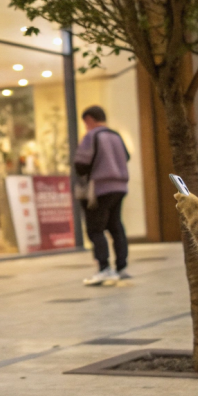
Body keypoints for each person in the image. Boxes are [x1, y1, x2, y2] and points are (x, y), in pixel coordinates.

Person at [74, 106, 130, 286]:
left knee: (95, 228)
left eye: (85, 122)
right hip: (120, 186)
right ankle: (121, 267)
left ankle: (104, 268)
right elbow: (127, 157)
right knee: (116, 226)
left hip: (100, 188)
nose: (85, 126)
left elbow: (81, 164)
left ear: (89, 119)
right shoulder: (116, 136)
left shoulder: (92, 136)